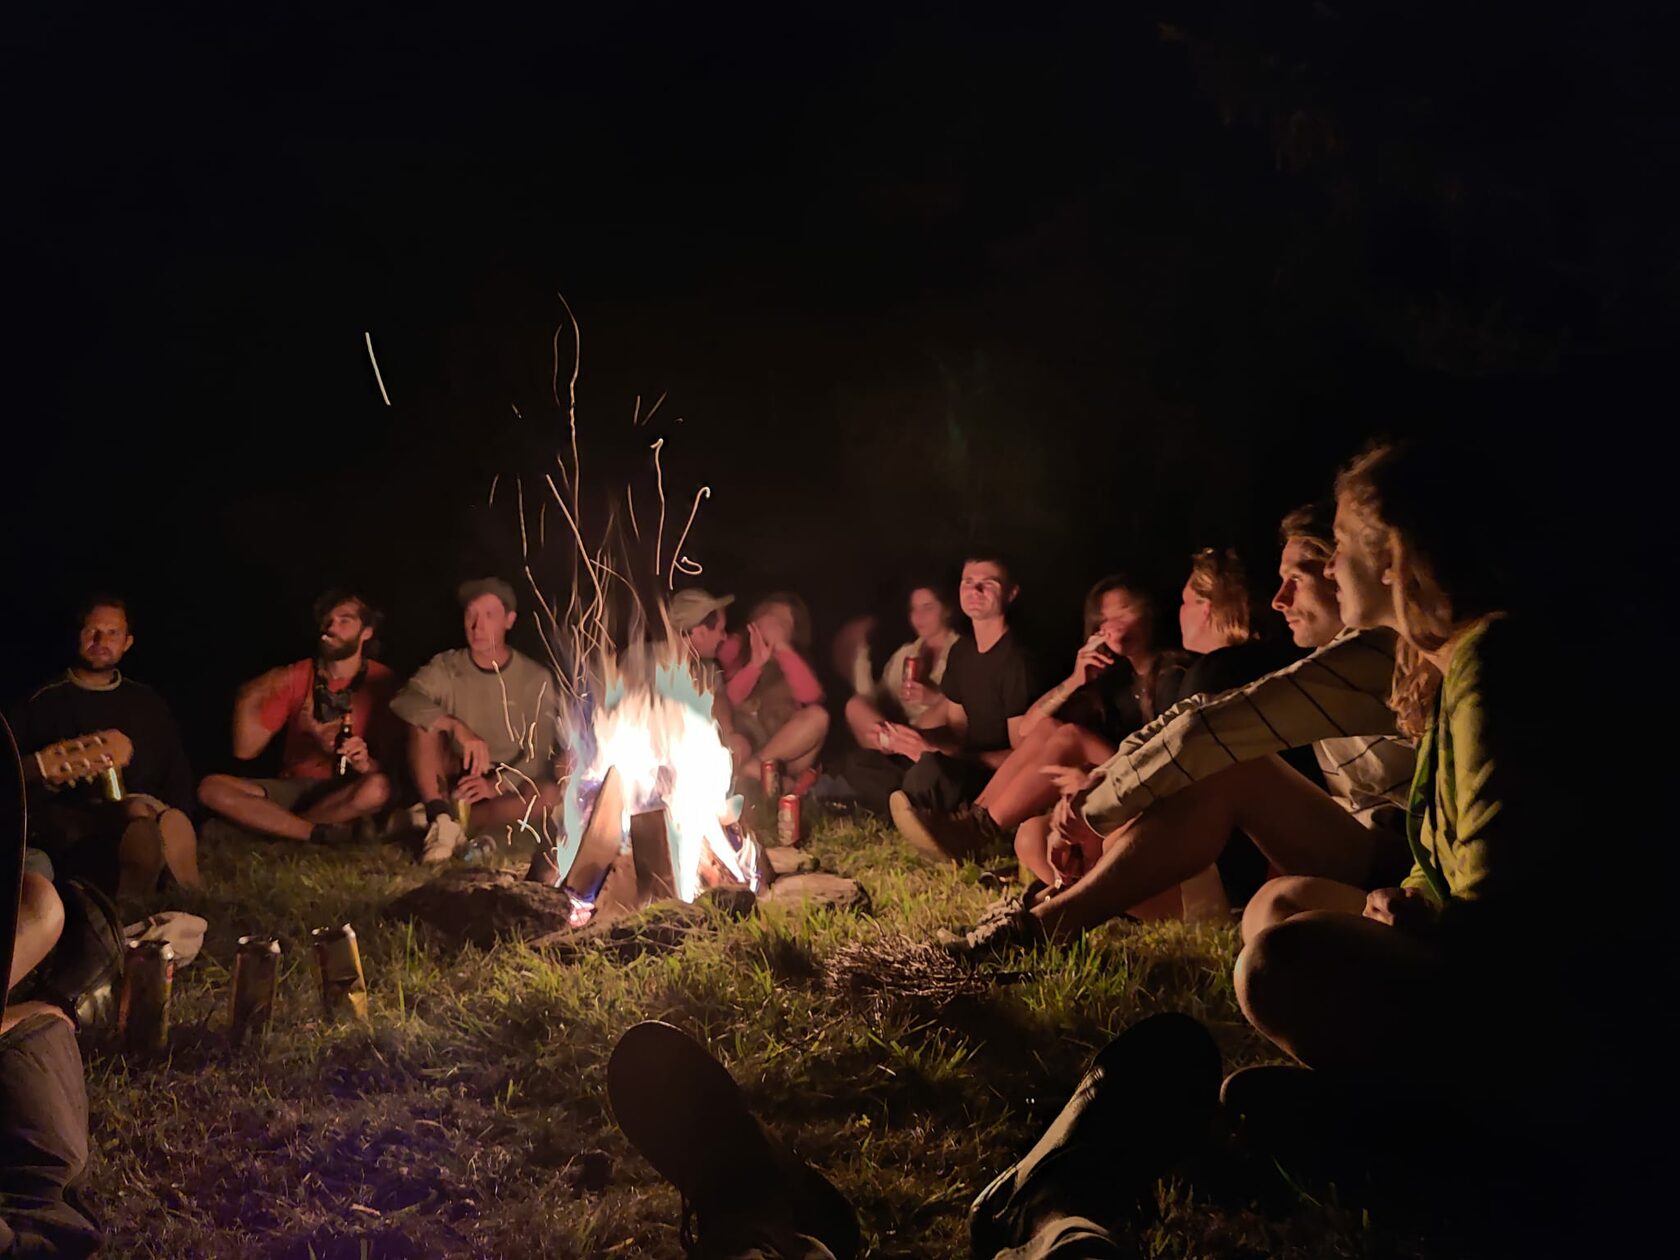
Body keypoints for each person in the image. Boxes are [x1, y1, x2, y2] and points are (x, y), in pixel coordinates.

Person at [942, 513, 1416, 953]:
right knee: (1237, 814)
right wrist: (1100, 784)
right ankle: (1039, 907)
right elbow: (1194, 717)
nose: (1278, 599)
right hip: (1361, 844)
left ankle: (1042, 919)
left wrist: (1094, 806)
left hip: (1399, 864)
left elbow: (1205, 731)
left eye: (1301, 576)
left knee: (1230, 778)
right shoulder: (1324, 660)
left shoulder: (1377, 655)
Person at [892, 576, 1183, 860]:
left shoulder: (1173, 673)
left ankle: (977, 830)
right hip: (1122, 779)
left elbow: (1172, 758)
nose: (1114, 625)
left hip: (1155, 786)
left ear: (1149, 612)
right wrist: (1075, 680)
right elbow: (1029, 730)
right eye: (1104, 619)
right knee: (1049, 730)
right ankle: (971, 821)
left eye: (1124, 611)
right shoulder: (1115, 680)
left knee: (1071, 736)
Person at [8, 595, 198, 900]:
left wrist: (182, 812)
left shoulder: (147, 702)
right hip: (73, 819)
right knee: (127, 817)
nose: (101, 641)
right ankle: (144, 872)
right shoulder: (42, 702)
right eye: (92, 631)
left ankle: (167, 861)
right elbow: (16, 777)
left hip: (143, 808)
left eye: (113, 633)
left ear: (127, 643)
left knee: (145, 812)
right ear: (78, 636)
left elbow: (176, 770)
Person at [198, 590, 398, 848]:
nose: (331, 628)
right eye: (328, 620)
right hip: (293, 786)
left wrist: (363, 762)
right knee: (211, 787)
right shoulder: (298, 674)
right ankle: (310, 832)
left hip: (345, 791)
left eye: (344, 620)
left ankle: (272, 828)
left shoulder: (382, 681)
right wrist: (249, 695)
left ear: (366, 632)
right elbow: (245, 750)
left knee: (379, 789)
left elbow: (393, 767)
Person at [391, 578, 563, 868]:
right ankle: (440, 814)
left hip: (504, 783)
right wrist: (455, 726)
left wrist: (495, 785)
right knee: (422, 723)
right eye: (470, 615)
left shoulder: (535, 678)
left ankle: (443, 823)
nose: (477, 626)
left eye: (489, 616)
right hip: (455, 776)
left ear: (509, 620)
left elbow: (540, 752)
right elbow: (404, 699)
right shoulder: (447, 667)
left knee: (548, 795)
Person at [878, 556, 1036, 861]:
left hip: (990, 778)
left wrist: (937, 753)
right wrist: (910, 738)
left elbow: (1023, 757)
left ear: (1011, 593)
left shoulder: (1017, 661)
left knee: (928, 772)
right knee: (870, 763)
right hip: (959, 764)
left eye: (988, 583)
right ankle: (912, 808)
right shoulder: (962, 651)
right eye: (968, 582)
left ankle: (939, 822)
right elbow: (955, 728)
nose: (975, 590)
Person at [717, 592, 829, 795]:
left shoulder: (794, 659)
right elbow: (724, 699)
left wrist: (783, 648)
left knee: (819, 717)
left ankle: (757, 770)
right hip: (743, 740)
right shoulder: (733, 645)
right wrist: (754, 666)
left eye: (784, 623)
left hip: (777, 751)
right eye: (771, 617)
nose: (775, 627)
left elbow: (812, 697)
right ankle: (767, 778)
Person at [842, 582, 960, 743]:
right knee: (855, 705)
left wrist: (933, 698)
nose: (919, 617)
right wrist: (862, 655)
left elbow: (971, 706)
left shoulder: (963, 651)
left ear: (947, 610)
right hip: (903, 730)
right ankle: (896, 744)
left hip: (938, 732)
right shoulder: (905, 653)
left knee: (943, 710)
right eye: (913, 609)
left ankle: (901, 745)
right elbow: (875, 697)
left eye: (927, 608)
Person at [669, 587, 752, 771]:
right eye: (721, 630)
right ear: (700, 632)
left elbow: (719, 698)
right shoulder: (647, 663)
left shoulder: (708, 669)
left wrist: (729, 733)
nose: (724, 637)